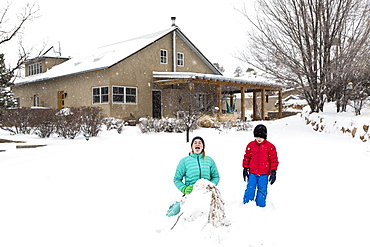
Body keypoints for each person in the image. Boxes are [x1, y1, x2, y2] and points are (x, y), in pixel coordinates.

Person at [242, 124, 279, 207]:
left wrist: (273, 171)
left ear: (265, 137)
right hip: (252, 172)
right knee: (250, 188)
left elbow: (273, 160)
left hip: (264, 173)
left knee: (262, 189)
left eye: (261, 137)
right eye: (257, 137)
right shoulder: (251, 145)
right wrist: (245, 168)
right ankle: (247, 204)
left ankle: (260, 205)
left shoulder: (270, 147)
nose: (258, 139)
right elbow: (247, 157)